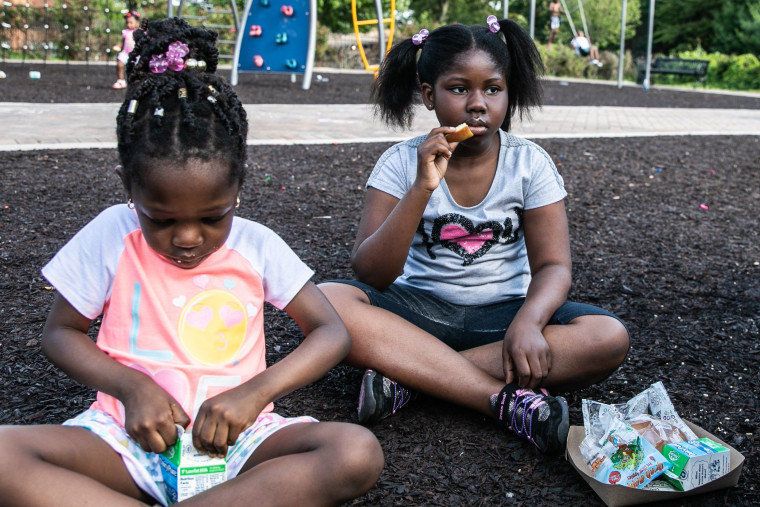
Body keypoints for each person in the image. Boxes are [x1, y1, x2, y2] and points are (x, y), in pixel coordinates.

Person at [0, 17, 383, 507]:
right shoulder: (111, 234)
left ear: (239, 185)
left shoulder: (257, 245)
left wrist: (252, 395)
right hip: (124, 441)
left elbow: (331, 333)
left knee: (354, 452)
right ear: (128, 187)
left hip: (242, 445)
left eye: (211, 217)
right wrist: (130, 387)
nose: (186, 237)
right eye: (159, 218)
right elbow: (60, 334)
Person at [318, 16, 629, 457]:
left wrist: (530, 321)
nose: (478, 103)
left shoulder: (529, 164)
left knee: (607, 336)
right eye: (460, 88)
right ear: (429, 95)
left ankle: (410, 379)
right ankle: (503, 400)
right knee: (328, 300)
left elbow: (553, 266)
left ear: (508, 93)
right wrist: (423, 187)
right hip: (416, 316)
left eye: (493, 89)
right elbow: (371, 272)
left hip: (503, 319)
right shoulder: (400, 163)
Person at [112, 10, 141, 89]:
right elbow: (123, 42)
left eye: (131, 22)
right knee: (120, 64)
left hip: (136, 54)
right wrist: (118, 46)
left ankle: (138, 81)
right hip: (126, 53)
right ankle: (121, 80)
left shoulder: (139, 32)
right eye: (127, 22)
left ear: (137, 23)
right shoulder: (125, 32)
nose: (128, 24)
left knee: (137, 69)